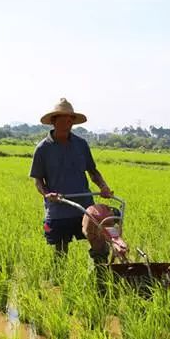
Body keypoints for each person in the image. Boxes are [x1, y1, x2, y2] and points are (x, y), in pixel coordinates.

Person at [29, 98, 113, 261]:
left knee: (98, 242)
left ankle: (100, 278)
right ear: (54, 121)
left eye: (71, 118)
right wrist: (47, 194)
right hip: (58, 207)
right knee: (60, 251)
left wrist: (103, 186)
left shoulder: (81, 144)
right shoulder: (42, 149)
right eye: (64, 118)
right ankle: (60, 282)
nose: (69, 122)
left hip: (84, 206)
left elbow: (93, 171)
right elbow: (38, 181)